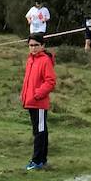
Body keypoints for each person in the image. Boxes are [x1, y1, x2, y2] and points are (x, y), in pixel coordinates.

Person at [21, 33, 56, 170]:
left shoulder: (45, 60)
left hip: (39, 103)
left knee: (40, 132)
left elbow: (50, 81)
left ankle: (37, 161)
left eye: (36, 45)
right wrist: (24, 95)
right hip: (30, 101)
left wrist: (38, 94)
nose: (33, 48)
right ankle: (42, 159)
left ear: (42, 46)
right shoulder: (30, 60)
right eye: (31, 45)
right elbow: (28, 80)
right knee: (39, 131)